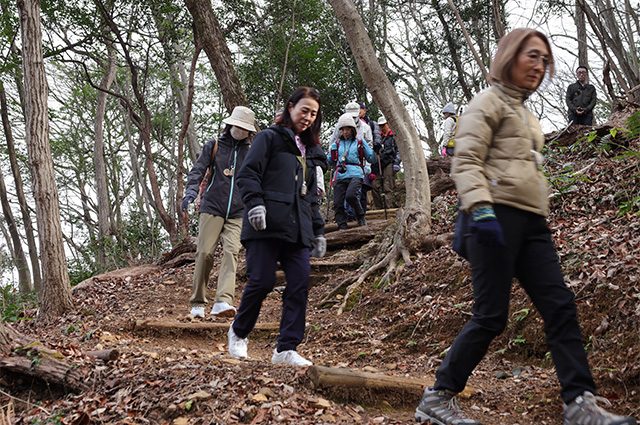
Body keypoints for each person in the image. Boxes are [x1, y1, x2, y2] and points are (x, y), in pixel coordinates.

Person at [415, 28, 637, 425]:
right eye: (531, 56)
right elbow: (465, 162)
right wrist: (480, 210)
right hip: (492, 218)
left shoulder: (526, 113)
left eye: (544, 60)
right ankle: (438, 397)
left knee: (560, 307)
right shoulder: (486, 102)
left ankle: (580, 404)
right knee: (491, 316)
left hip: (532, 222)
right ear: (509, 56)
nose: (538, 65)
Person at [228, 87, 327, 367]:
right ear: (290, 107)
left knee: (299, 283)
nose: (307, 117)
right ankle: (239, 331)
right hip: (265, 225)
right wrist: (255, 203)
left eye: (313, 114)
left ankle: (286, 348)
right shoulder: (268, 138)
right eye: (304, 110)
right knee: (262, 281)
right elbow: (248, 174)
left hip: (298, 228)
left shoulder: (311, 153)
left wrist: (318, 230)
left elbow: (309, 196)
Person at [181, 106, 256, 319]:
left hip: (239, 211)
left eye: (244, 127)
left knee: (231, 253)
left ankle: (223, 301)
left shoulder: (251, 152)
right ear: (230, 123)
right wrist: (191, 192)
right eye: (237, 125)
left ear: (249, 131)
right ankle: (197, 303)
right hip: (212, 206)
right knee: (204, 253)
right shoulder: (213, 146)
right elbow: (198, 170)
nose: (239, 129)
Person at [328, 113, 376, 230]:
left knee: (351, 195)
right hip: (340, 174)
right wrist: (331, 154)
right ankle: (342, 226)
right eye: (342, 129)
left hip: (356, 173)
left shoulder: (360, 142)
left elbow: (371, 158)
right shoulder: (337, 144)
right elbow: (330, 161)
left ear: (352, 129)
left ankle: (360, 216)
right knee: (338, 202)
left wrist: (375, 152)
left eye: (347, 129)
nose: (345, 132)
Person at [370, 116, 401, 210]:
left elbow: (398, 151)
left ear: (388, 124)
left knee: (388, 187)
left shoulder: (394, 136)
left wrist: (396, 162)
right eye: (380, 126)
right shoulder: (377, 138)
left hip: (389, 162)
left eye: (384, 125)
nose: (382, 127)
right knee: (375, 186)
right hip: (378, 163)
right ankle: (379, 209)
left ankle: (389, 208)